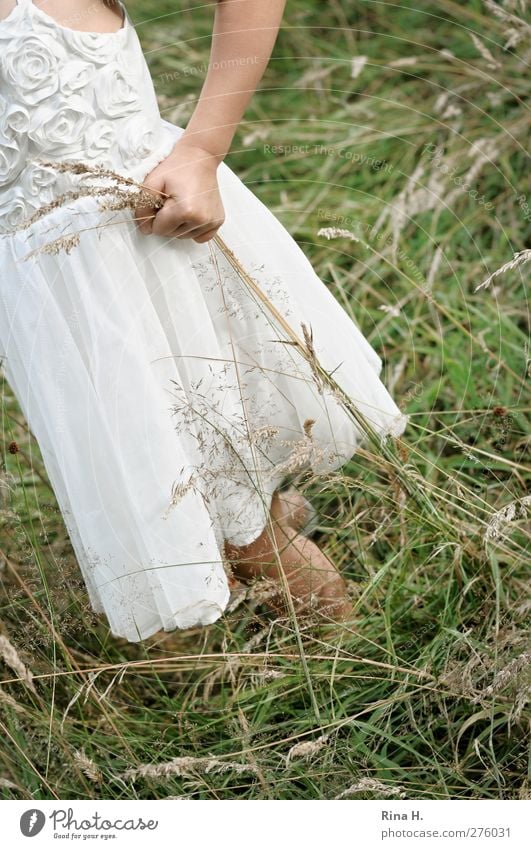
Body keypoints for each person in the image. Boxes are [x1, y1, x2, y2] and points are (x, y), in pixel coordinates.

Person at [0, 0, 408, 642]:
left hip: (147, 250)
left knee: (236, 520)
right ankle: (261, 521)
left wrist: (202, 149)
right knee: (176, 494)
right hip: (50, 302)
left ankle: (368, 673)